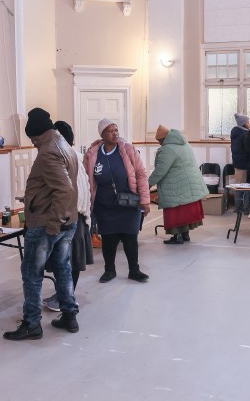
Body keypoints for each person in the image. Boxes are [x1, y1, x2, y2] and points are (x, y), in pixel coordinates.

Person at [4, 108, 80, 341]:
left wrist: (53, 225)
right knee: (63, 268)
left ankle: (32, 323)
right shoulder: (64, 144)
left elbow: (64, 189)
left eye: (33, 140)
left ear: (36, 136)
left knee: (32, 274)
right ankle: (69, 314)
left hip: (48, 223)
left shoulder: (48, 151)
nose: (33, 144)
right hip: (68, 221)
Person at [84, 119, 150, 284]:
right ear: (102, 135)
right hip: (104, 205)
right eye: (110, 131)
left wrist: (145, 200)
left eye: (116, 130)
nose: (115, 133)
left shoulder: (127, 150)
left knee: (130, 237)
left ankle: (134, 270)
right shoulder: (93, 154)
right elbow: (86, 179)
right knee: (108, 238)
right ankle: (109, 270)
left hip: (128, 203)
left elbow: (141, 174)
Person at [42, 121, 94, 312]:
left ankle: (65, 298)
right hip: (75, 215)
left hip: (69, 216)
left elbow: (71, 191)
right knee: (68, 260)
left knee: (67, 261)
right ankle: (63, 296)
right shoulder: (74, 156)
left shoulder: (64, 157)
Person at [149, 125, 209, 244]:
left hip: (177, 185)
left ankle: (177, 237)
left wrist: (148, 183)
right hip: (189, 183)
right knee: (186, 212)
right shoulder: (183, 143)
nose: (159, 143)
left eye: (159, 140)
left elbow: (161, 170)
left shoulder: (168, 149)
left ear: (165, 138)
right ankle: (185, 235)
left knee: (176, 213)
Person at [230, 113, 250, 215]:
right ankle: (245, 209)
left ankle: (238, 207)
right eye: (247, 122)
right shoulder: (245, 134)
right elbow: (247, 150)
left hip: (237, 163)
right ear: (243, 124)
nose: (249, 124)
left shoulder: (235, 132)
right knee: (245, 187)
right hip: (244, 164)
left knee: (238, 186)